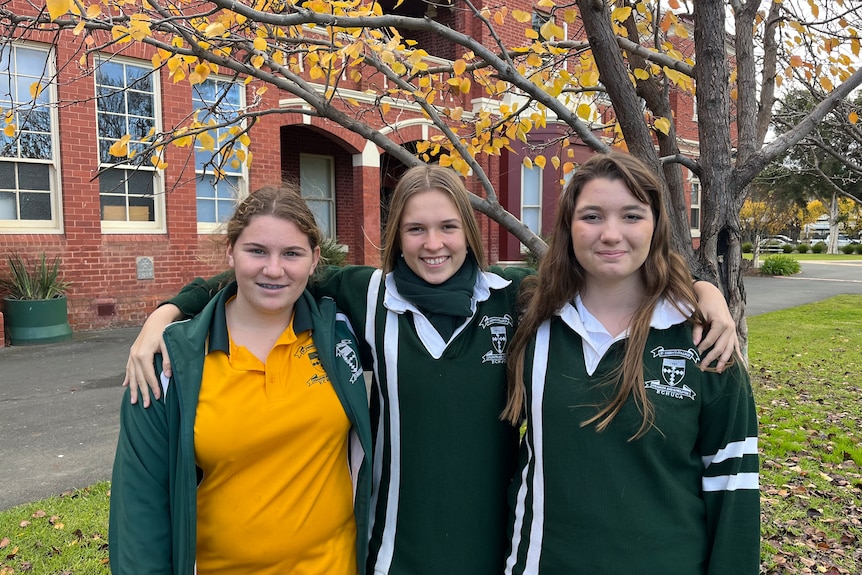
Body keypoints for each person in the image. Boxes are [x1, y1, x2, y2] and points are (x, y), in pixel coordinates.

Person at [121, 165, 740, 575]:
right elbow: (269, 272)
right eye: (415, 229)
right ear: (396, 236)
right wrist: (169, 311)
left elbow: (611, 276)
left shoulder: (516, 297)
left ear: (470, 233)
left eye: (448, 227)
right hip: (394, 548)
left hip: (494, 545)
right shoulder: (368, 297)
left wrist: (703, 294)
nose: (433, 244)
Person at [502, 152, 759, 575]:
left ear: (656, 226)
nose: (611, 234)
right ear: (568, 227)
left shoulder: (704, 339)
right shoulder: (529, 319)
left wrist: (705, 293)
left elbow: (735, 489)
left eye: (632, 216)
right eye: (591, 216)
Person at [109, 185, 372, 575]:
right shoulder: (170, 363)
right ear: (229, 251)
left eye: (292, 253)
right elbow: (139, 512)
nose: (274, 269)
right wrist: (165, 316)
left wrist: (168, 307)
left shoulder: (339, 330)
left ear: (315, 259)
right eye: (256, 251)